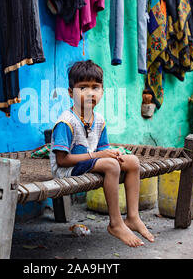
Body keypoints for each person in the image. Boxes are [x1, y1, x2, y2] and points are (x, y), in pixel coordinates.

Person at [49, 60, 155, 247]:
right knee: (111, 164)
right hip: (67, 169)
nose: (90, 92)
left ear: (103, 92)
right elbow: (62, 160)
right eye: (82, 88)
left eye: (95, 87)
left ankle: (132, 217)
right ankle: (115, 223)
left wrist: (112, 154)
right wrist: (100, 157)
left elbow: (101, 149)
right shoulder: (66, 122)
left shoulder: (99, 119)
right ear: (70, 92)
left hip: (87, 162)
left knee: (132, 162)